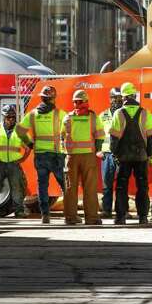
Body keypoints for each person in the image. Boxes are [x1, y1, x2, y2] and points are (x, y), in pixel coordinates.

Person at [108, 81, 152, 224]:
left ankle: (120, 217)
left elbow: (114, 138)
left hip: (123, 156)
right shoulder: (145, 113)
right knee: (142, 186)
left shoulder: (118, 113)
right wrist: (148, 154)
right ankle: (143, 217)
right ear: (134, 95)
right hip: (141, 155)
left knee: (121, 187)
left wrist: (115, 154)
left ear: (123, 97)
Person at [17, 85, 66, 224]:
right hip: (56, 154)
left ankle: (45, 215)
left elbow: (19, 129)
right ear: (53, 98)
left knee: (42, 185)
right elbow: (68, 129)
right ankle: (70, 214)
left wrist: (30, 143)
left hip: (40, 154)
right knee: (65, 184)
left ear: (42, 98)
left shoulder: (32, 114)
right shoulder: (59, 114)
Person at [60, 90, 104, 225]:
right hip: (88, 156)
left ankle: (70, 218)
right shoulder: (93, 117)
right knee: (90, 188)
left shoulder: (67, 118)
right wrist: (97, 150)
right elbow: (100, 136)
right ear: (86, 102)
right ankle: (91, 218)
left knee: (70, 188)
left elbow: (62, 136)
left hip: (71, 157)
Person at [0, 105, 29, 218]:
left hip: (14, 164)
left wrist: (23, 159)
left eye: (13, 117)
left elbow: (29, 147)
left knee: (17, 187)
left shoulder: (20, 130)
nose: (11, 120)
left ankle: (19, 211)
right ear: (3, 117)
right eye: (8, 117)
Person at [99, 87, 121, 219]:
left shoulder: (124, 114)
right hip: (106, 154)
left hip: (121, 154)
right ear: (110, 99)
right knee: (107, 184)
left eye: (119, 98)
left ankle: (121, 211)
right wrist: (98, 150)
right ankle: (106, 210)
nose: (117, 101)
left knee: (121, 185)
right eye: (114, 98)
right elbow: (97, 134)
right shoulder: (103, 115)